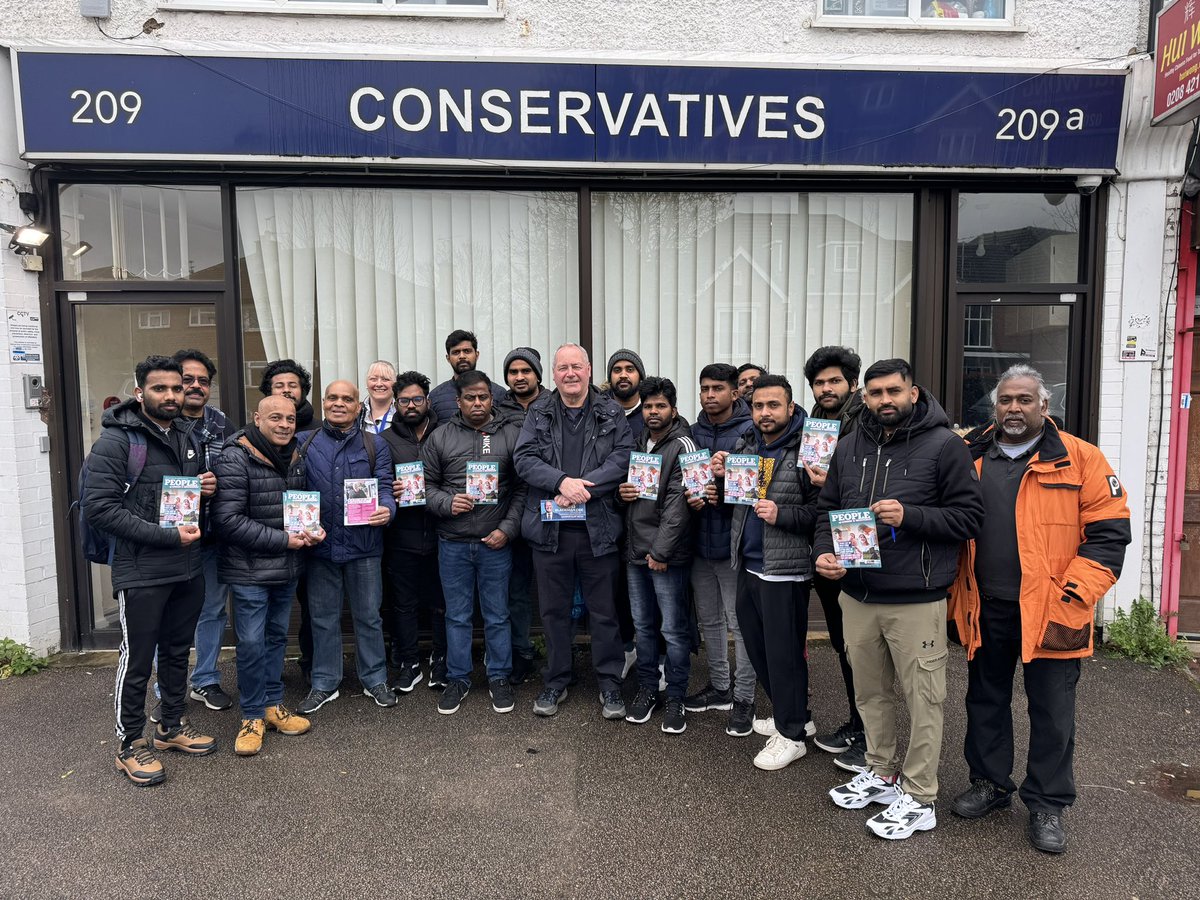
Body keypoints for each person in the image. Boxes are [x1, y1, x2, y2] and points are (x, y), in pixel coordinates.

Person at [947, 365, 1131, 854]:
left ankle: (1047, 804)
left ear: (1043, 406)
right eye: (1005, 400)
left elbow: (1109, 536)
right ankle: (990, 784)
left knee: (1053, 712)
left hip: (1053, 610)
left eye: (1024, 400)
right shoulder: (969, 454)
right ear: (994, 406)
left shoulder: (1081, 459)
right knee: (985, 700)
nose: (1013, 408)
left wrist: (1074, 594)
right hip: (984, 607)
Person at [815, 358, 983, 841]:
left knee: (924, 698)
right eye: (875, 392)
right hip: (858, 593)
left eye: (893, 390)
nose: (884, 399)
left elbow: (970, 518)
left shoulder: (945, 445)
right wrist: (825, 554)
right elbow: (827, 512)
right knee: (870, 692)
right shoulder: (849, 447)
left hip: (916, 596)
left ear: (913, 391)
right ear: (863, 397)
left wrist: (910, 516)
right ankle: (881, 771)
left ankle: (920, 795)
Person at [86, 355, 217, 785]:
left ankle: (171, 727)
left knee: (179, 651)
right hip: (141, 569)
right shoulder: (117, 441)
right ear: (140, 392)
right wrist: (165, 537)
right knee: (139, 658)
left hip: (187, 564)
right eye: (161, 389)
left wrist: (206, 489)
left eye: (177, 388)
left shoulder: (187, 436)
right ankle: (129, 744)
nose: (172, 396)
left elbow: (184, 499)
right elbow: (100, 508)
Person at [514, 343, 634, 718]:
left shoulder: (611, 411)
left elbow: (622, 458)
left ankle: (610, 685)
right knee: (553, 612)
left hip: (597, 527)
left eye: (576, 367)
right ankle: (555, 682)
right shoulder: (539, 411)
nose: (570, 373)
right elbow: (523, 458)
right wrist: (562, 482)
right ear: (554, 373)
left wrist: (584, 487)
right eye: (562, 367)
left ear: (588, 369)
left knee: (604, 612)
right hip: (551, 530)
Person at [707, 374, 819, 771]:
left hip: (784, 569)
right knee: (757, 647)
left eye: (774, 405)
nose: (765, 413)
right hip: (749, 562)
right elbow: (732, 504)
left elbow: (823, 512)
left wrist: (783, 514)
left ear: (791, 408)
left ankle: (792, 735)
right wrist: (721, 478)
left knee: (785, 654)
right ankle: (795, 716)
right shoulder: (747, 444)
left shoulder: (810, 450)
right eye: (758, 406)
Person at [212, 395, 322, 756]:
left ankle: (274, 705)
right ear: (257, 418)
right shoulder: (235, 456)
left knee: (276, 639)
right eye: (275, 418)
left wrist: (313, 529)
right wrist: (284, 540)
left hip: (286, 566)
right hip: (249, 572)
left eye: (290, 419)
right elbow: (227, 520)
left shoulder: (295, 454)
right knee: (251, 644)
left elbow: (299, 506)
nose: (284, 425)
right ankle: (252, 715)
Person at [422, 370, 527, 715]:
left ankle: (499, 676)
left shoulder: (511, 434)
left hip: (495, 543)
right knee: (457, 616)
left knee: (498, 614)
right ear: (458, 401)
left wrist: (508, 530)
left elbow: (522, 490)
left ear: (491, 399)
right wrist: (446, 503)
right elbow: (424, 488)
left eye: (483, 397)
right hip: (452, 542)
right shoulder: (439, 437)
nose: (478, 403)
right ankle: (458, 678)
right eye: (470, 397)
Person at [295, 380, 399, 714]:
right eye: (333, 397)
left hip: (364, 547)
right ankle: (324, 682)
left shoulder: (375, 444)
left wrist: (388, 508)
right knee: (323, 618)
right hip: (320, 547)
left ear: (359, 406)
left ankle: (375, 678)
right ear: (324, 402)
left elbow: (384, 485)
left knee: (368, 617)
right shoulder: (303, 442)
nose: (340, 403)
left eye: (348, 399)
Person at [617, 377, 697, 733]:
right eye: (648, 406)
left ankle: (677, 695)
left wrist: (661, 551)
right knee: (643, 628)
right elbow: (633, 502)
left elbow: (680, 505)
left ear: (674, 410)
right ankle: (648, 689)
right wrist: (622, 494)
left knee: (674, 630)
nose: (653, 412)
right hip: (636, 554)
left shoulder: (685, 446)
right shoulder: (638, 444)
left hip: (666, 556)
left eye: (660, 406)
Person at [802, 345, 868, 770]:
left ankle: (872, 737)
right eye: (819, 382)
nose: (826, 388)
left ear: (852, 383)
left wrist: (838, 483)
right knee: (845, 643)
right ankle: (857, 723)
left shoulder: (870, 420)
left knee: (864, 648)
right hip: (825, 541)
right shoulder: (817, 422)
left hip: (858, 544)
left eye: (834, 381)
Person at [684, 363, 758, 737]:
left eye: (717, 388)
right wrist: (692, 498)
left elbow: (763, 483)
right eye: (704, 389)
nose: (710, 395)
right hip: (697, 539)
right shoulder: (691, 432)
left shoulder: (751, 429)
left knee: (739, 622)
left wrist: (726, 483)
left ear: (735, 392)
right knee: (709, 619)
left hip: (735, 543)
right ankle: (719, 687)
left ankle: (745, 697)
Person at [171, 349, 236, 715]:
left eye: (202, 381)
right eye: (188, 380)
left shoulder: (221, 424)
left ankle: (206, 679)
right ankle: (169, 689)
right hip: (169, 537)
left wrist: (219, 484)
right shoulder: (158, 422)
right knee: (172, 613)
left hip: (213, 534)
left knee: (212, 610)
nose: (195, 386)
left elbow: (233, 470)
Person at [380, 370, 449, 692]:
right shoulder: (385, 441)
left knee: (441, 602)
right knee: (403, 604)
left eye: (416, 399)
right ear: (395, 403)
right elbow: (377, 483)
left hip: (442, 533)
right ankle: (409, 663)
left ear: (428, 401)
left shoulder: (446, 432)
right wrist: (387, 491)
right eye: (404, 400)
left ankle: (441, 660)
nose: (410, 405)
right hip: (401, 536)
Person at [428, 329, 507, 423]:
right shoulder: (436, 396)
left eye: (467, 351)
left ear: (477, 355)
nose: (462, 356)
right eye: (456, 352)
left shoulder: (499, 393)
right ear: (448, 358)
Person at [260, 359, 318, 430]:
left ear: (303, 390)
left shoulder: (321, 432)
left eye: (293, 386)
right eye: (279, 386)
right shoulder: (254, 433)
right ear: (269, 392)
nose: (286, 390)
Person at [605, 349, 647, 441]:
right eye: (617, 370)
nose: (623, 375)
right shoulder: (597, 408)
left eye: (630, 369)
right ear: (609, 378)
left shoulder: (653, 410)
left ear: (640, 376)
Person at [359, 359, 398, 435]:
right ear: (367, 383)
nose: (379, 384)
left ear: (394, 384)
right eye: (373, 379)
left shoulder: (402, 412)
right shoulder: (356, 412)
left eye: (385, 379)